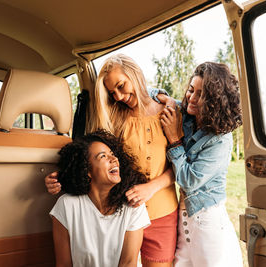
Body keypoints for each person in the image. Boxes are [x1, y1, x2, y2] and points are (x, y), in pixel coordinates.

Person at [46, 54, 180, 266]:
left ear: (134, 74)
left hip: (162, 212)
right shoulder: (114, 119)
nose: (118, 96)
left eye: (121, 86)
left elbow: (180, 165)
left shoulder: (170, 112)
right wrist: (61, 179)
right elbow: (91, 162)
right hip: (122, 212)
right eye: (112, 92)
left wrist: (151, 188)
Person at [159, 62, 243, 267]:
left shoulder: (221, 139)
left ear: (215, 101)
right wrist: (166, 98)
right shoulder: (187, 117)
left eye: (201, 94)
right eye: (190, 90)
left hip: (208, 223)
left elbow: (188, 180)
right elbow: (151, 93)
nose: (192, 98)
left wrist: (174, 140)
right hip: (184, 219)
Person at [50, 130, 150, 267]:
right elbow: (63, 264)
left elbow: (128, 263)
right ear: (87, 170)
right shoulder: (67, 206)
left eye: (113, 154)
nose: (114, 159)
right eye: (103, 156)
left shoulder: (133, 205)